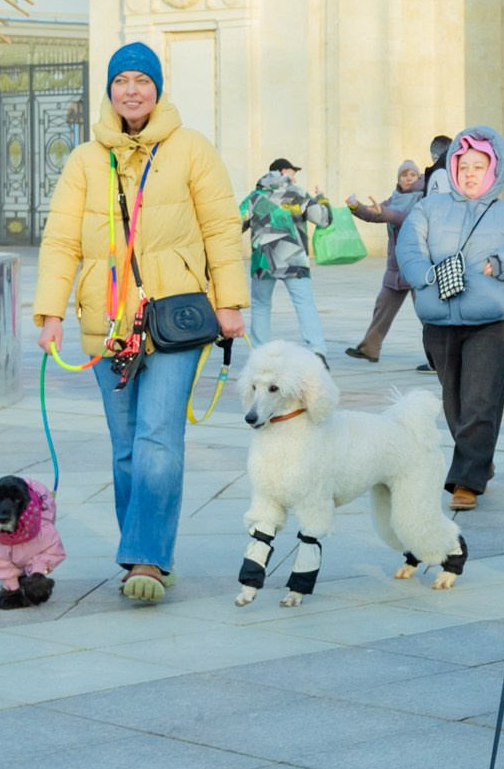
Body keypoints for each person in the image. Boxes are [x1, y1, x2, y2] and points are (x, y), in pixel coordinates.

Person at [32, 43, 248, 603]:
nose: (131, 90)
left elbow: (223, 228)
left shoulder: (192, 150)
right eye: (121, 80)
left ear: (158, 87)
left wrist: (230, 304)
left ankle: (148, 560)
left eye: (142, 80)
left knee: (158, 436)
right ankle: (138, 551)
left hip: (174, 317)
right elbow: (59, 241)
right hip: (106, 323)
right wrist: (51, 312)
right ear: (109, 89)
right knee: (126, 443)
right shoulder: (84, 160)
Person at [410, 128, 504, 505]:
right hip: (439, 317)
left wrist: (502, 262)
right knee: (453, 401)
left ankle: (467, 480)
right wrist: (427, 275)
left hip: (493, 319)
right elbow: (410, 248)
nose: (471, 173)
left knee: (479, 399)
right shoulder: (428, 207)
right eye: (464, 165)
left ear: (494, 170)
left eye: (479, 166)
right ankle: (479, 460)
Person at [242, 160, 330, 356]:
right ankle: (317, 351)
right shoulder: (297, 193)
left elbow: (234, 222)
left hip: (263, 261)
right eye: (293, 171)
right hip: (294, 260)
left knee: (261, 305)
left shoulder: (254, 197)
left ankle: (259, 353)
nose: (295, 176)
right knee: (304, 303)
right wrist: (322, 199)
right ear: (282, 171)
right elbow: (323, 219)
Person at [344, 159, 429, 362]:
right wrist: (356, 207)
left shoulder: (423, 199)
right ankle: (369, 349)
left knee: (427, 314)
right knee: (382, 307)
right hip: (395, 266)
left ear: (418, 177)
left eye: (412, 175)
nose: (408, 178)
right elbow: (375, 214)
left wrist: (384, 213)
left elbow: (404, 218)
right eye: (404, 175)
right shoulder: (395, 198)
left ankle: (438, 357)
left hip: (416, 264)